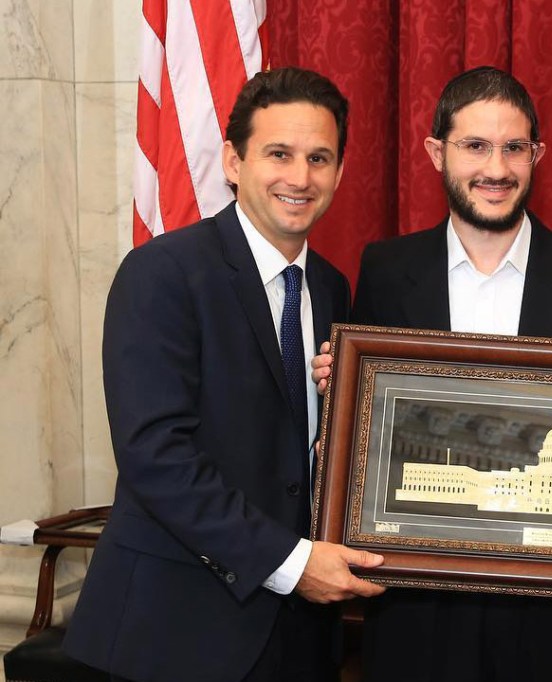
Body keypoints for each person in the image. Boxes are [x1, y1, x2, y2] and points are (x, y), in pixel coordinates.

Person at [312, 66, 552, 682]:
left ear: (537, 155)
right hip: (419, 614)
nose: (496, 168)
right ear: (437, 152)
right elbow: (370, 446)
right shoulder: (385, 270)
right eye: (475, 146)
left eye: (513, 147)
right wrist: (345, 396)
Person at [64, 67, 385, 682]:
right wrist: (291, 564)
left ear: (341, 173)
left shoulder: (331, 287)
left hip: (299, 637)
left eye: (320, 158)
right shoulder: (163, 273)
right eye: (279, 154)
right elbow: (157, 456)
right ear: (234, 162)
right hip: (176, 632)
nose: (300, 177)